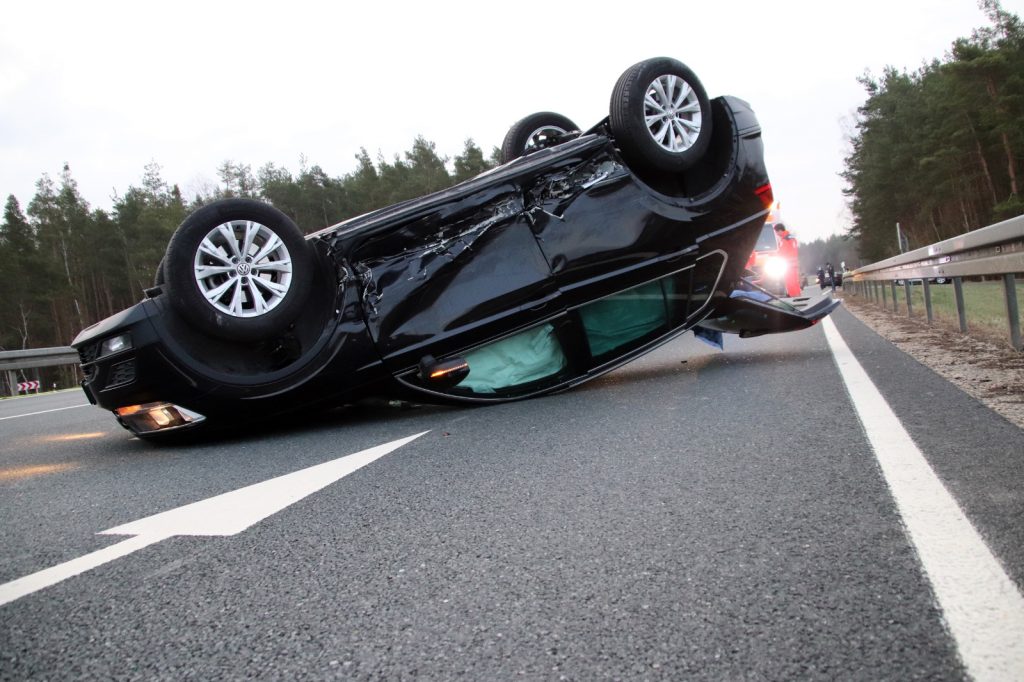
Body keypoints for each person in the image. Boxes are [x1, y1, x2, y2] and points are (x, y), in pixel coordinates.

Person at [773, 223, 801, 297]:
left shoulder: (784, 240)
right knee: (795, 282)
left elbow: (781, 253)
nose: (777, 234)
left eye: (776, 232)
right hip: (795, 264)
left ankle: (794, 299)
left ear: (779, 231)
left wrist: (774, 255)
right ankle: (799, 297)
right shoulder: (792, 238)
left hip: (788, 265)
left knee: (790, 283)